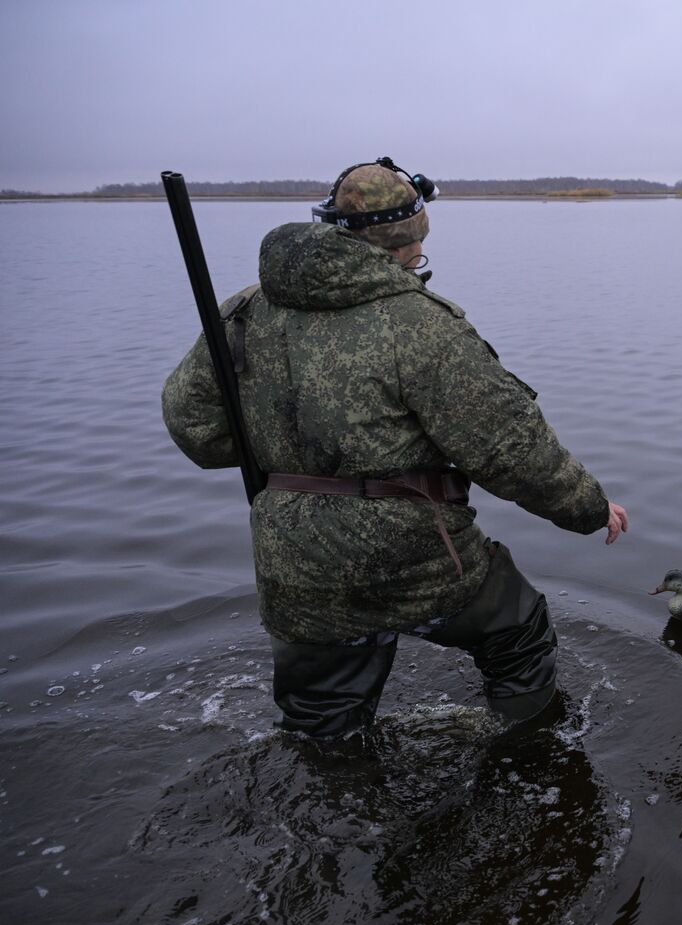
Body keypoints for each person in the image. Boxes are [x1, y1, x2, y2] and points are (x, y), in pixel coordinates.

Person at [162, 158, 627, 737]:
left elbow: (196, 429)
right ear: (412, 239)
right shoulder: (420, 323)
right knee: (517, 630)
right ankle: (527, 754)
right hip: (412, 553)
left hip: (292, 555)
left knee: (321, 727)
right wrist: (588, 508)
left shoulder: (241, 311)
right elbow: (510, 449)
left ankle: (329, 797)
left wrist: (289, 452)